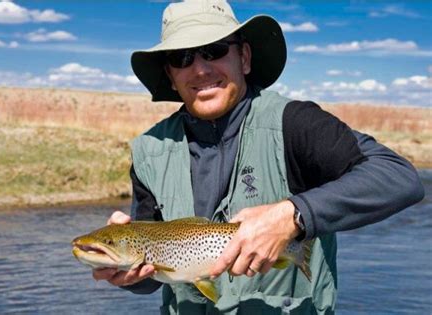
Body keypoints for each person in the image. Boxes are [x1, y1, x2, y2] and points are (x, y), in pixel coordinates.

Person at [92, 1, 424, 314]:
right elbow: (151, 278)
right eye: (182, 58)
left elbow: (399, 177)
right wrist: (126, 274)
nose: (200, 69)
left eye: (214, 50)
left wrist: (292, 216)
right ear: (170, 75)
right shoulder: (150, 150)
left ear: (245, 58)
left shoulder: (295, 124)